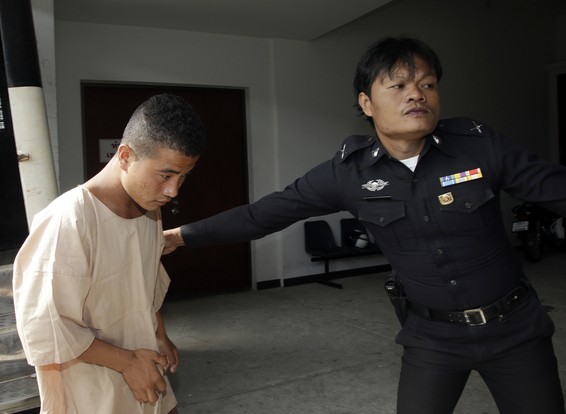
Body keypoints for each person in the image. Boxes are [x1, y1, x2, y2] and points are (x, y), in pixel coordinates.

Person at [163, 36, 566, 413]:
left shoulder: (479, 146)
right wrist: (182, 236)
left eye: (427, 84)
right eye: (398, 86)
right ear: (366, 102)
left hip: (515, 332)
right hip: (433, 339)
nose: (416, 94)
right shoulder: (347, 173)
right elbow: (264, 214)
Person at [13, 93, 206, 414]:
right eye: (166, 174)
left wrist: (159, 334)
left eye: (183, 176)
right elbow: (44, 325)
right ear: (126, 155)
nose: (173, 191)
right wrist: (127, 362)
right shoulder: (69, 219)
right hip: (90, 388)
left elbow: (142, 286)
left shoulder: (149, 211)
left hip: (143, 365)